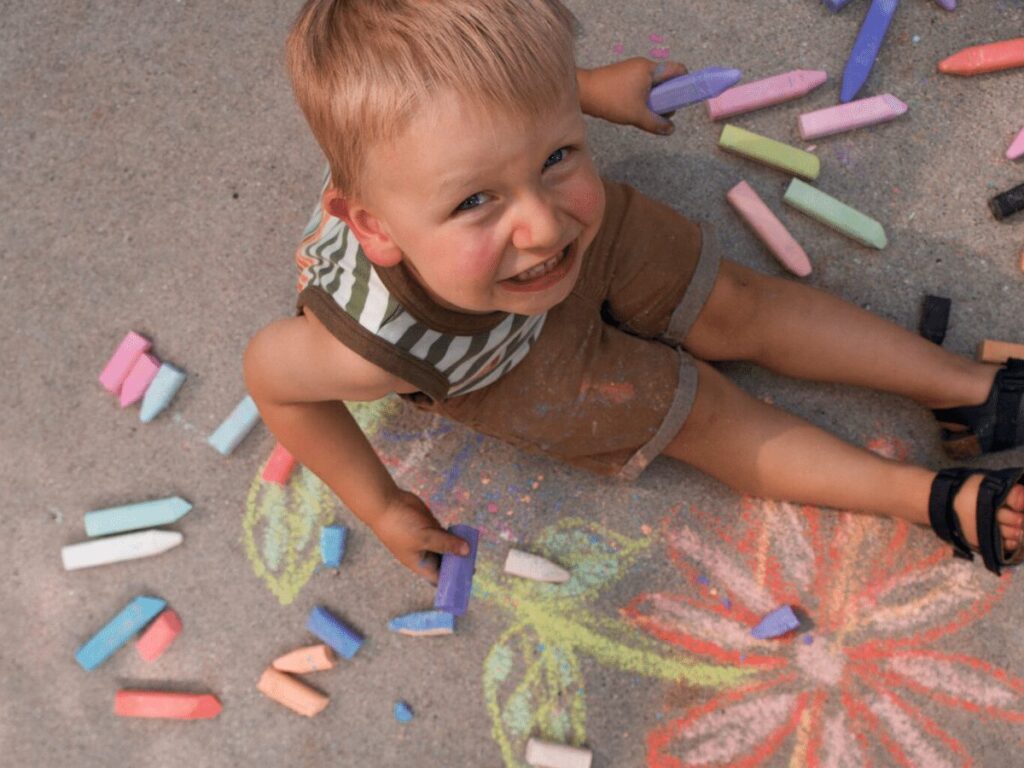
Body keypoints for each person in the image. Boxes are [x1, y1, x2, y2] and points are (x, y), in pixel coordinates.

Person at [244, 0, 1024, 585]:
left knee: (743, 306)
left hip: (593, 243)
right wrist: (378, 506)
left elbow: (513, 102)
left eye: (557, 154)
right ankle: (923, 496)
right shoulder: (367, 343)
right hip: (492, 367)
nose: (543, 228)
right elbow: (273, 383)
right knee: (708, 418)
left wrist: (584, 90)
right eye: (475, 201)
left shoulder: (533, 206)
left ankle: (969, 390)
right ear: (374, 228)